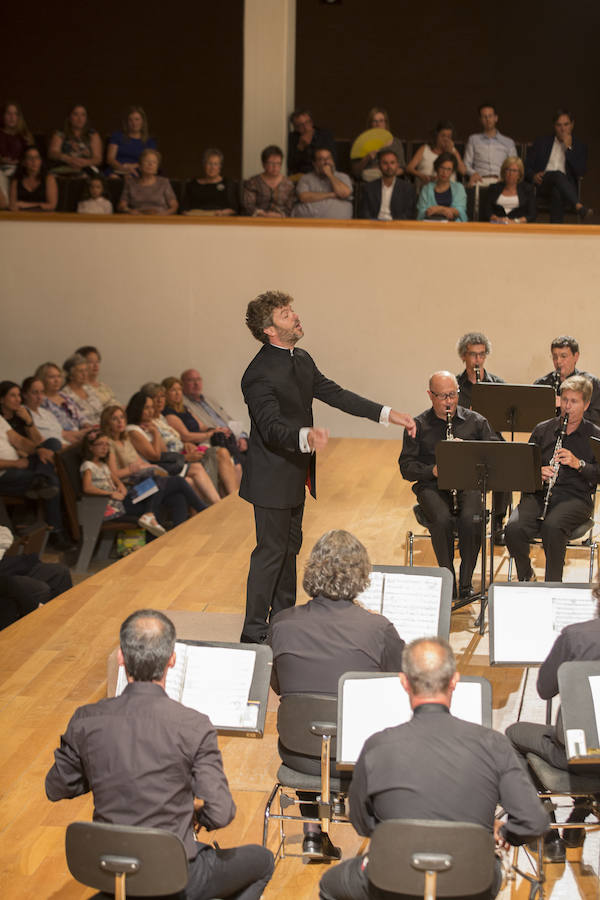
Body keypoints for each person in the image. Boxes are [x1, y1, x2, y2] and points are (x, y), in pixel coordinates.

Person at [45, 609, 274, 900]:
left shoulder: (85, 720)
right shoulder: (193, 726)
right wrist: (197, 816)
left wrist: (103, 768)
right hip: (176, 874)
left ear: (120, 658)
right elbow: (222, 811)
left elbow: (56, 787)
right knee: (262, 861)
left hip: (110, 870)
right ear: (172, 660)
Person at [240, 289, 415, 643]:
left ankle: (283, 620)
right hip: (271, 475)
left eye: (291, 310)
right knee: (270, 554)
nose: (295, 316)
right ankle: (253, 631)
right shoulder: (257, 374)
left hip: (292, 472)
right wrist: (306, 436)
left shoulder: (300, 358)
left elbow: (336, 394)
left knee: (289, 549)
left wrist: (385, 414)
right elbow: (272, 428)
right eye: (285, 313)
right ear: (269, 329)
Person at [319, 637, 550, 900]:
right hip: (473, 881)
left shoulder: (376, 746)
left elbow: (361, 822)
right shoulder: (493, 744)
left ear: (405, 682)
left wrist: (401, 836)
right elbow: (534, 821)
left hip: (392, 878)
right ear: (454, 681)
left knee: (330, 884)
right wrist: (504, 833)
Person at [270, 529, 406, 858]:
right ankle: (384, 838)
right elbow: (402, 687)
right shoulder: (377, 628)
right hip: (357, 759)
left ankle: (313, 834)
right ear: (361, 575)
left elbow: (279, 685)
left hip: (298, 754)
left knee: (308, 716)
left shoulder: (282, 623)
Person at [506, 583, 600, 860]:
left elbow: (545, 690)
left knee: (513, 734)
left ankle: (545, 832)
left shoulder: (577, 636)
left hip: (571, 754)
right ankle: (582, 812)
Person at [399, 371, 496, 599]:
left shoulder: (477, 422)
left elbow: (494, 457)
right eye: (442, 396)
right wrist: (431, 470)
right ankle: (448, 578)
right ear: (430, 395)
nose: (449, 402)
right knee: (441, 519)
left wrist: (469, 454)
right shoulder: (418, 425)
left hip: (468, 483)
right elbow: (406, 467)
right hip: (432, 486)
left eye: (452, 395)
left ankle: (466, 580)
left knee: (473, 518)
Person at [505, 374, 600, 583]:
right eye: (564, 399)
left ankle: (552, 585)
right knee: (512, 529)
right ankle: (526, 575)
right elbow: (523, 466)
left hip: (575, 498)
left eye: (574, 401)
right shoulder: (543, 429)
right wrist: (536, 472)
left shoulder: (594, 435)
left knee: (552, 526)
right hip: (540, 494)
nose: (567, 406)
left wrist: (579, 464)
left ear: (586, 405)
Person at [100, 404, 207, 527]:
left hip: (143, 485)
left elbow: (143, 461)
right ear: (107, 423)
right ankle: (202, 509)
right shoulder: (108, 444)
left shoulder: (125, 440)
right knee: (177, 481)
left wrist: (145, 466)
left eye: (122, 417)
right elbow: (113, 474)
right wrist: (131, 469)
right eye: (114, 419)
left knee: (179, 497)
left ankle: (178, 535)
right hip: (130, 492)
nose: (120, 421)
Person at [125, 391, 221, 505]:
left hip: (162, 466)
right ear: (137, 409)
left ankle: (207, 512)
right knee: (196, 469)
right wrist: (155, 433)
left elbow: (164, 451)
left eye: (152, 407)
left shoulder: (150, 426)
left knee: (191, 480)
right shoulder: (133, 430)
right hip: (150, 473)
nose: (151, 411)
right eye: (146, 408)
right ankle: (217, 505)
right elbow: (155, 456)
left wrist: (154, 431)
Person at [456, 332, 507, 540]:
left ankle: (498, 522)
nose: (477, 360)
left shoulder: (497, 384)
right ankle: (465, 519)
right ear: (463, 356)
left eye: (481, 354)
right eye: (472, 355)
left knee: (508, 461)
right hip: (466, 440)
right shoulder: (455, 386)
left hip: (491, 437)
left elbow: (507, 417)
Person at [162, 377, 240, 495]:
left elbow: (202, 426)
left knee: (235, 461)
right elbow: (186, 436)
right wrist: (209, 434)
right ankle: (233, 497)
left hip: (202, 443)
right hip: (192, 448)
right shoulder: (169, 414)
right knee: (223, 453)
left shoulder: (186, 409)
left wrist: (215, 429)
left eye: (179, 389)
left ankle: (234, 497)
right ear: (166, 393)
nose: (178, 393)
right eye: (173, 390)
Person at [0, 524, 72, 630]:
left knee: (60, 572)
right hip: (5, 574)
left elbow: (4, 532)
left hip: (8, 563)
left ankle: (64, 624)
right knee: (39, 589)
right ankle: (36, 632)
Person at [525, 109, 590, 223]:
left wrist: (569, 149)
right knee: (557, 175)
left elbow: (580, 172)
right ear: (554, 126)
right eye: (559, 125)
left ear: (572, 125)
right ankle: (578, 206)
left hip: (566, 189)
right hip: (542, 184)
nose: (563, 129)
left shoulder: (579, 146)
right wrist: (533, 176)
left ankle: (555, 230)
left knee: (557, 190)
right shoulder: (542, 142)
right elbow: (526, 166)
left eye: (566, 124)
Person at [534, 335, 600, 426]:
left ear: (576, 356)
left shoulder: (591, 383)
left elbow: (595, 418)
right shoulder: (542, 384)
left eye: (563, 356)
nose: (558, 361)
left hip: (580, 436)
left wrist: (564, 404)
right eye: (555, 357)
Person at [181, 368, 247, 454]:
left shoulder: (210, 400)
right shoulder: (183, 405)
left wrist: (242, 437)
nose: (196, 383)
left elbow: (229, 419)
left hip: (232, 437)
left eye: (198, 379)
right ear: (182, 384)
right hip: (216, 440)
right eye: (191, 380)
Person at [36, 361, 92, 442]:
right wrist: (77, 434)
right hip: (63, 439)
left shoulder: (64, 395)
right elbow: (51, 429)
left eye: (59, 376)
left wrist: (86, 425)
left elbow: (80, 416)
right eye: (52, 377)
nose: (56, 380)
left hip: (81, 434)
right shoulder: (41, 401)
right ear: (42, 380)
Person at [464, 104, 518, 187]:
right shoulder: (473, 139)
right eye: (484, 117)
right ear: (480, 120)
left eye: (490, 116)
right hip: (480, 180)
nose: (487, 119)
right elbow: (466, 164)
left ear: (496, 118)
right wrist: (473, 174)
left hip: (501, 181)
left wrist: (505, 177)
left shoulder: (508, 142)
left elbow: (515, 165)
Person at [292, 147, 353, 219]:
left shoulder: (343, 177)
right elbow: (303, 197)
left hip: (338, 225)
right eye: (321, 159)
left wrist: (330, 175)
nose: (326, 162)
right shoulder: (306, 178)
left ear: (333, 161)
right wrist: (331, 195)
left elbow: (345, 193)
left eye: (328, 158)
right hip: (307, 224)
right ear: (314, 163)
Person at [351, 107, 406, 182]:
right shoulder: (361, 142)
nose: (378, 124)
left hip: (390, 177)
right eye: (375, 121)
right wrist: (367, 158)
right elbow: (355, 172)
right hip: (369, 179)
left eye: (381, 121)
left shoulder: (396, 142)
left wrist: (386, 172)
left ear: (386, 123)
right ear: (370, 124)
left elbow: (402, 169)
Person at [358, 148, 415, 221]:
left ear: (397, 165)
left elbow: (409, 214)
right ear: (379, 165)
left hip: (397, 228)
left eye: (392, 163)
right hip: (374, 227)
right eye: (385, 163)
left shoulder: (407, 188)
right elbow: (364, 213)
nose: (389, 167)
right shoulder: (369, 188)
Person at [406, 120, 466, 187]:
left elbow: (463, 171)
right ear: (436, 135)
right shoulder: (425, 149)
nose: (446, 139)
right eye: (443, 136)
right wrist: (421, 176)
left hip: (449, 190)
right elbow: (409, 168)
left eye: (449, 137)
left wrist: (451, 153)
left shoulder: (453, 151)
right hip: (426, 186)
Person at [47, 104, 102, 176]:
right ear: (69, 117)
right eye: (76, 114)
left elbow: (98, 159)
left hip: (86, 168)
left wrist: (85, 162)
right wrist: (68, 159)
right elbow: (53, 153)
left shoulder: (93, 134)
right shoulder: (60, 133)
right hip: (64, 167)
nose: (80, 119)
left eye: (83, 115)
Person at [119, 148, 178, 215]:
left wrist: (162, 215)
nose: (150, 164)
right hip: (137, 219)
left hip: (160, 218)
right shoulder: (130, 183)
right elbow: (122, 205)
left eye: (154, 162)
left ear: (157, 167)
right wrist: (130, 211)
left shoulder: (164, 182)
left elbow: (174, 206)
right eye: (147, 161)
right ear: (140, 166)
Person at [181, 148, 239, 216]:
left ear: (220, 167)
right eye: (209, 163)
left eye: (215, 164)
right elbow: (184, 210)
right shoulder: (192, 184)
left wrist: (221, 213)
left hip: (220, 220)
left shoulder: (228, 183)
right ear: (204, 165)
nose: (212, 167)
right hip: (195, 221)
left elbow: (234, 209)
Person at [242, 144, 295, 217]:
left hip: (282, 221)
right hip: (257, 220)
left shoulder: (288, 184)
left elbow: (291, 207)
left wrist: (279, 215)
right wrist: (262, 214)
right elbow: (248, 205)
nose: (275, 167)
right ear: (263, 164)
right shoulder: (253, 182)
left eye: (278, 163)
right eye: (271, 163)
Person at [105, 105, 157, 177]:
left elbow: (151, 161)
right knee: (113, 177)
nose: (134, 123)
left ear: (143, 121)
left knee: (131, 179)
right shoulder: (117, 136)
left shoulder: (149, 141)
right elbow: (110, 159)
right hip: (117, 169)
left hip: (138, 172)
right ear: (127, 122)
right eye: (130, 120)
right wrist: (123, 168)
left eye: (137, 119)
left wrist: (133, 167)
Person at [482, 156, 536, 224]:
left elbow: (532, 214)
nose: (511, 174)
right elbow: (487, 211)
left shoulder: (527, 189)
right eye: (508, 170)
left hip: (520, 227)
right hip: (497, 225)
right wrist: (498, 219)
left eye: (514, 171)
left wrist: (515, 221)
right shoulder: (493, 188)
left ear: (519, 174)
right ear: (503, 172)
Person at [0, 101, 33, 208]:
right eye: (9, 114)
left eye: (15, 114)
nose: (12, 117)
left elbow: (33, 155)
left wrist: (21, 162)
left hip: (21, 169)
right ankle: (5, 205)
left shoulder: (25, 136)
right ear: (3, 116)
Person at [416, 152, 467, 221]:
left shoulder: (459, 188)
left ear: (452, 171)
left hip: (454, 227)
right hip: (430, 227)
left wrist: (438, 209)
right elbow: (421, 212)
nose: (445, 172)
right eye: (442, 168)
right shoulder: (426, 189)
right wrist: (445, 210)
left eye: (449, 169)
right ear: (437, 168)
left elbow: (460, 210)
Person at [287, 107, 337, 176]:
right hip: (302, 175)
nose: (305, 127)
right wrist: (300, 147)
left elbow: (332, 158)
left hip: (324, 172)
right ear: (295, 128)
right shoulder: (293, 138)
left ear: (312, 122)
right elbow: (291, 166)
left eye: (307, 122)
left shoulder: (325, 135)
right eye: (300, 125)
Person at [21, 376, 67, 447]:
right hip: (50, 449)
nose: (39, 397)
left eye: (42, 392)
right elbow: (39, 441)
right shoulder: (23, 413)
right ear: (25, 394)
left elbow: (61, 434)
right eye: (35, 393)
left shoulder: (46, 413)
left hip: (65, 445)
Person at [8, 146, 57, 212]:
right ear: (23, 162)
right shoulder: (16, 179)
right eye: (30, 158)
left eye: (37, 157)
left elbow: (52, 206)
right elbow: (13, 205)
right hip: (20, 217)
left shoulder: (49, 179)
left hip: (44, 218)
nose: (34, 161)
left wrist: (25, 205)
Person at [60, 353, 103, 426]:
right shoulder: (65, 394)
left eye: (86, 370)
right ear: (70, 375)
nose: (84, 374)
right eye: (80, 371)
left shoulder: (89, 388)